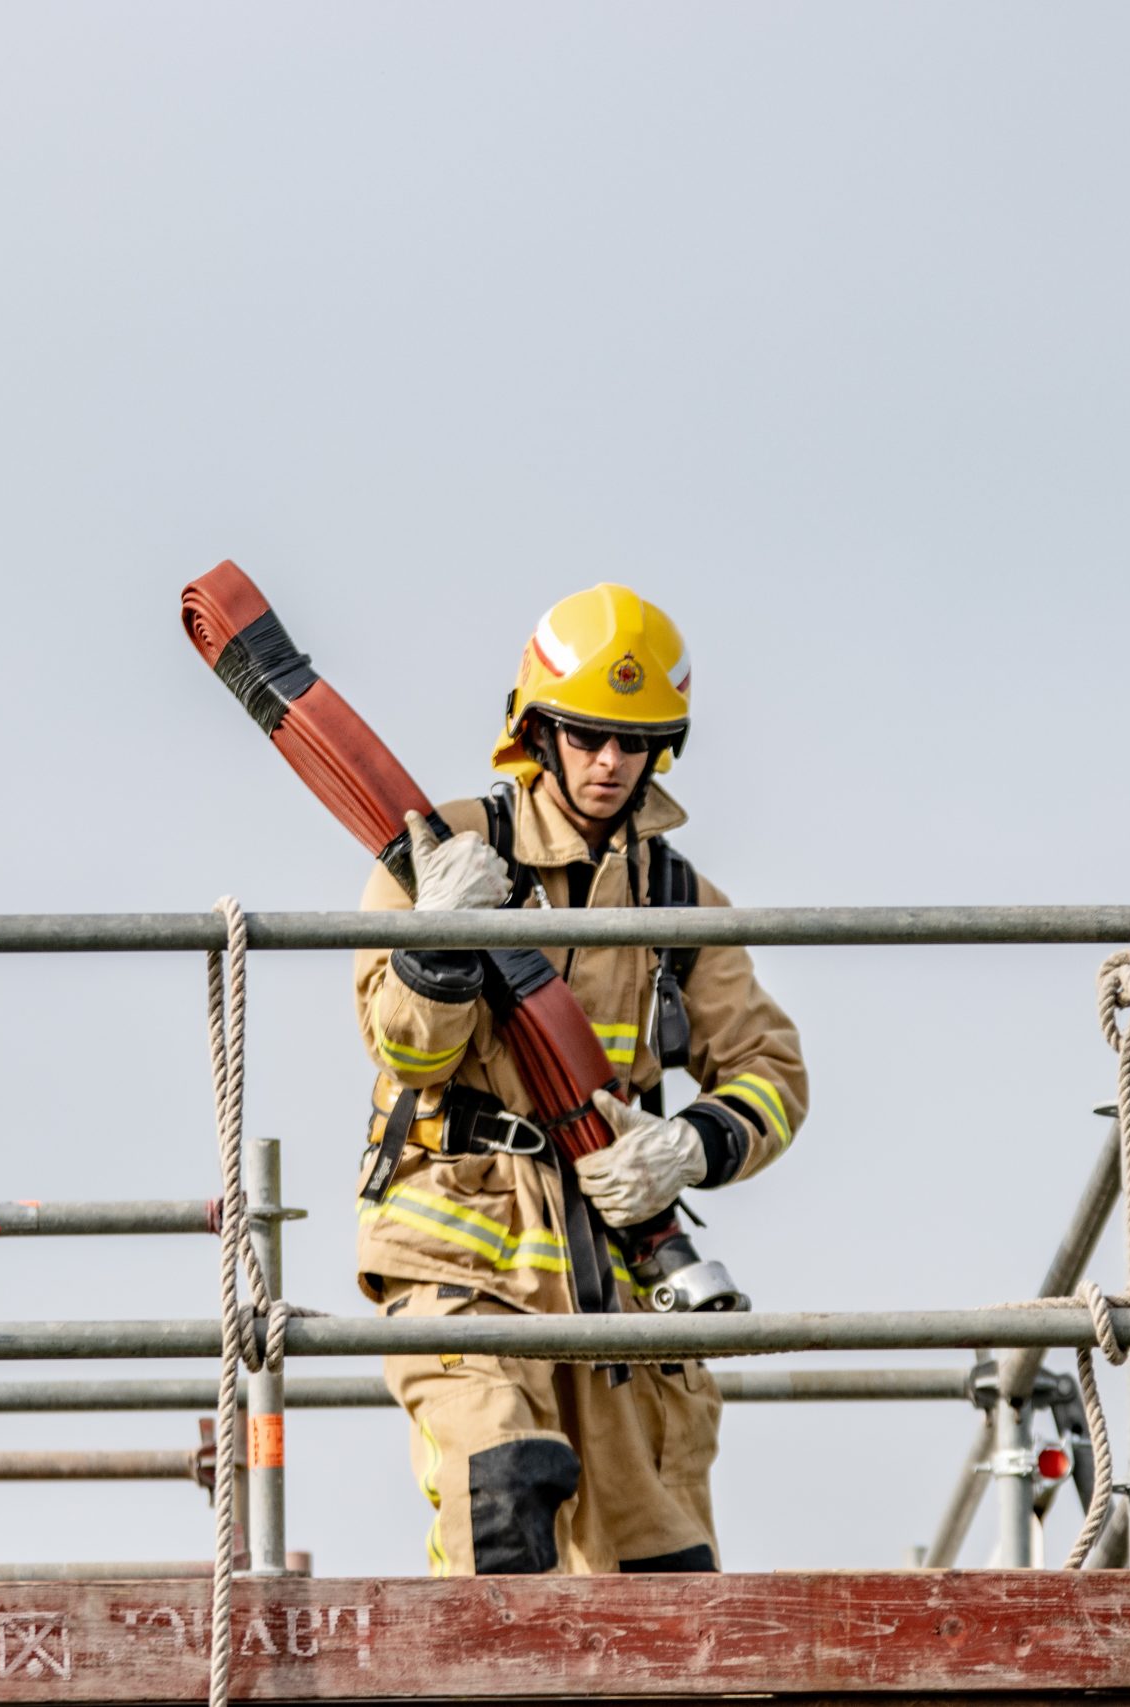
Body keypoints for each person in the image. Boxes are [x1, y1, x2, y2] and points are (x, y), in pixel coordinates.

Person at [352, 584, 808, 1576]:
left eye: (633, 742)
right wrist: (438, 941)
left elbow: (772, 1072)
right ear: (536, 732)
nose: (610, 762)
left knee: (663, 1577)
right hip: (462, 1254)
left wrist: (685, 1147)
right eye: (587, 735)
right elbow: (407, 1054)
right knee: (503, 1508)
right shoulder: (439, 854)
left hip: (613, 1277)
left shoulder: (678, 898)